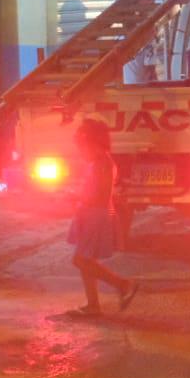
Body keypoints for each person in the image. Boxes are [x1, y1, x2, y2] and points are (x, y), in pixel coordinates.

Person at [65, 118, 139, 317]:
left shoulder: (103, 164)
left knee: (81, 260)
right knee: (86, 261)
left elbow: (102, 195)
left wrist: (76, 196)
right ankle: (93, 305)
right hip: (90, 214)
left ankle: (123, 285)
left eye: (81, 143)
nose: (79, 148)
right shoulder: (97, 162)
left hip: (96, 216)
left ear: (92, 142)